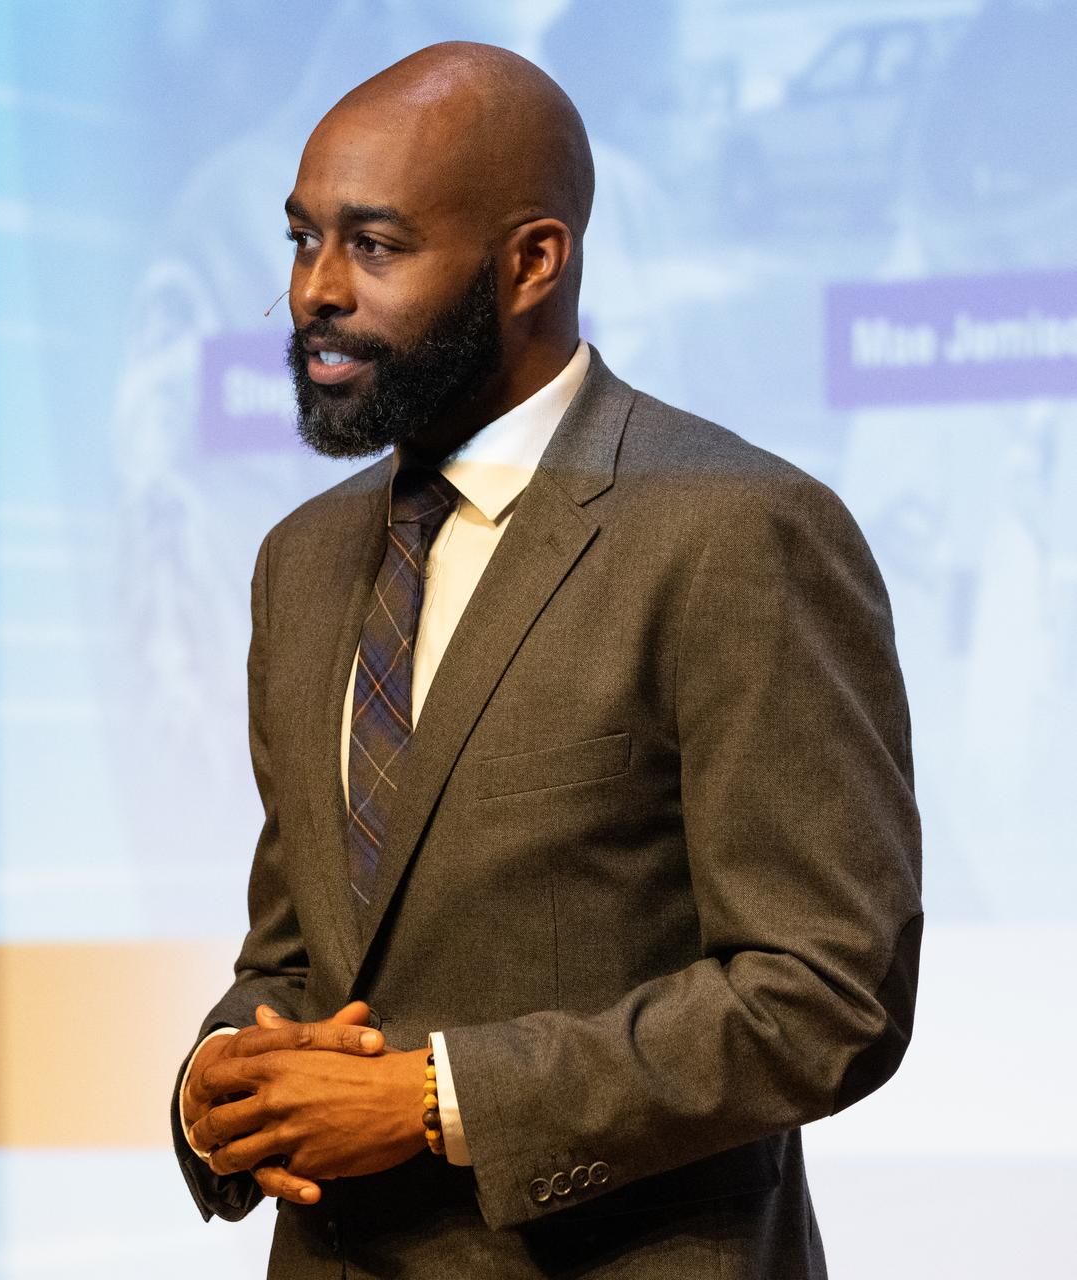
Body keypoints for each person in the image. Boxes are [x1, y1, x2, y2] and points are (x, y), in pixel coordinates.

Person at [172, 41, 922, 1279]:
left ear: (532, 261)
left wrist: (438, 1097)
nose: (316, 288)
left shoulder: (738, 529)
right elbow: (301, 957)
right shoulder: (296, 562)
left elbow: (825, 991)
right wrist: (218, 1081)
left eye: (375, 245)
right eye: (304, 240)